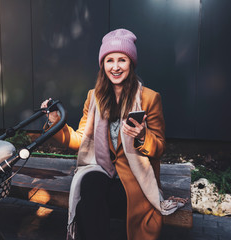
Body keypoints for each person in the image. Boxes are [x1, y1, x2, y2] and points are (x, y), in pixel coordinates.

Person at [41, 28, 186, 240]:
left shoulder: (149, 98)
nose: (116, 67)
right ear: (103, 65)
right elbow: (81, 140)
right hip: (101, 171)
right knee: (88, 186)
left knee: (90, 203)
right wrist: (56, 124)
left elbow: (160, 148)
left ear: (131, 64)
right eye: (110, 60)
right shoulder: (94, 98)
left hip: (134, 178)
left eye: (122, 60)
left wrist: (143, 135)